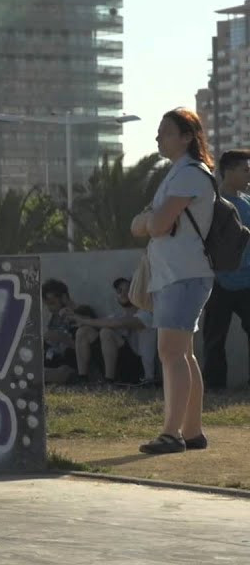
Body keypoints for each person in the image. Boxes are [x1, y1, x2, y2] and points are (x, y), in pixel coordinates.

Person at [133, 108, 215, 454]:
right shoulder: (179, 174)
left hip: (183, 274)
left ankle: (171, 433)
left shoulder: (189, 175)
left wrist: (147, 220)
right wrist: (149, 221)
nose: (158, 137)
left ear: (186, 137)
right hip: (178, 273)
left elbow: (158, 225)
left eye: (165, 132)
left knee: (170, 352)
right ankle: (191, 431)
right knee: (182, 354)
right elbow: (153, 224)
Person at [200, 148, 250, 391]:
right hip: (218, 282)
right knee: (214, 338)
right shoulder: (213, 204)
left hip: (247, 281)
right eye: (245, 170)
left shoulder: (248, 203)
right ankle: (215, 387)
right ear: (228, 171)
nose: (249, 174)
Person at [69, 277, 159, 387]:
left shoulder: (146, 315)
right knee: (84, 331)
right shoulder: (117, 316)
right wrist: (75, 317)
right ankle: (82, 379)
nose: (124, 293)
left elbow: (119, 323)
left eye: (128, 290)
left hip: (139, 371)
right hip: (119, 366)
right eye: (119, 291)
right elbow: (101, 323)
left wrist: (83, 320)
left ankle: (109, 382)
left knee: (106, 332)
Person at [40, 279, 99, 385]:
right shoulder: (55, 316)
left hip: (72, 364)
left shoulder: (83, 312)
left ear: (64, 298)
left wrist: (62, 338)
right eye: (47, 305)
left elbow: (90, 349)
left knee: (61, 372)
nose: (49, 308)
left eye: (52, 303)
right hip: (54, 359)